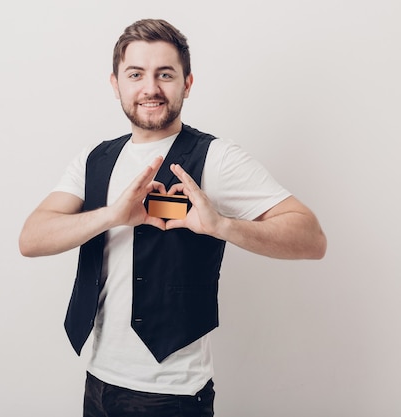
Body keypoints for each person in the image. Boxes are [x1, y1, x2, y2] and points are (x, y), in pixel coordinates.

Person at [19, 18, 326, 417]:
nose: (150, 88)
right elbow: (31, 238)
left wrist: (222, 226)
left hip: (173, 396)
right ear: (116, 84)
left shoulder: (218, 158)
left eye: (165, 74)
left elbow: (312, 238)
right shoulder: (94, 159)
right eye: (136, 74)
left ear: (187, 83)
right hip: (98, 383)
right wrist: (112, 215)